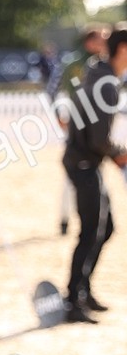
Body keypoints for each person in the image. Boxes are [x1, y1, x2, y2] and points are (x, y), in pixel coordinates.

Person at [62, 24, 127, 324]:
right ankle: (73, 300)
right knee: (91, 231)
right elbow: (100, 139)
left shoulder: (101, 73)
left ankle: (83, 291)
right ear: (123, 49)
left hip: (86, 161)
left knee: (106, 227)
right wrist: (120, 152)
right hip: (84, 163)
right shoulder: (106, 83)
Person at [54, 25, 109, 235]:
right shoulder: (74, 63)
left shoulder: (104, 63)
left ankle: (84, 218)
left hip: (93, 122)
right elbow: (55, 89)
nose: (104, 42)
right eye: (101, 38)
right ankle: (65, 217)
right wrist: (59, 114)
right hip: (78, 122)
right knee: (75, 170)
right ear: (89, 42)